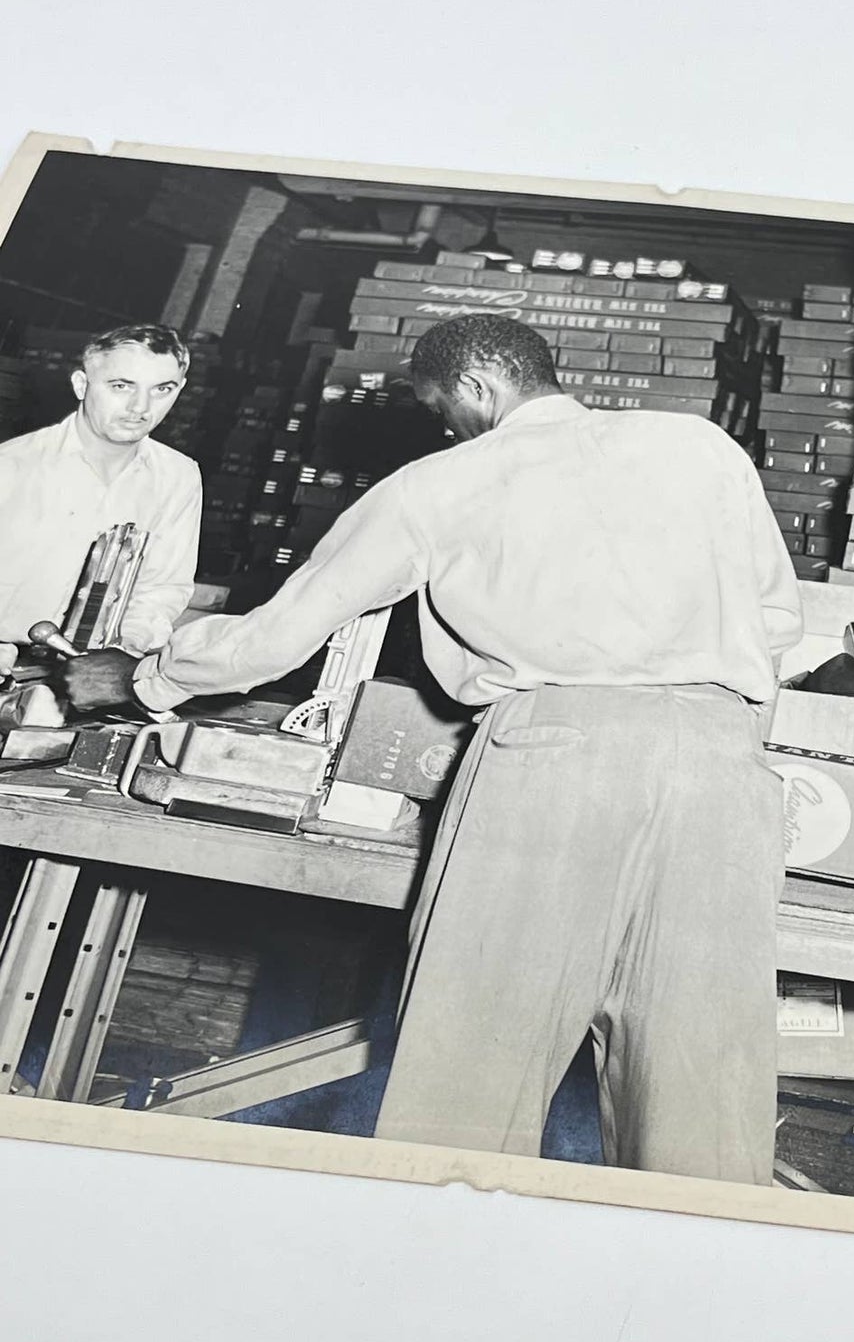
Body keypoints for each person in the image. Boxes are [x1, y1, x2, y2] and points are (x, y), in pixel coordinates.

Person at [65, 312, 805, 1187]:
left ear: (474, 390)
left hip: (554, 755)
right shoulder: (699, 447)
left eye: (442, 412)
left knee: (470, 1081)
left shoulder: (442, 483)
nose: (446, 430)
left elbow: (278, 637)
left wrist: (146, 678)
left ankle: (437, 1285)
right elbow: (778, 619)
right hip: (725, 757)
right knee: (704, 1091)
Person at [0, 324, 201, 676]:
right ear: (81, 385)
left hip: (90, 676)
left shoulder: (178, 477)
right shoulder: (12, 466)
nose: (140, 407)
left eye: (162, 389)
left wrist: (122, 652)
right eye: (121, 386)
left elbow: (163, 588)